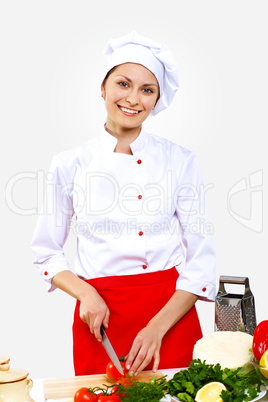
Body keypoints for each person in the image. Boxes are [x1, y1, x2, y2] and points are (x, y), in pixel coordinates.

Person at [31, 31, 216, 376]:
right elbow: (46, 252)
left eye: (147, 90)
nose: (133, 98)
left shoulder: (181, 161)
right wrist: (85, 293)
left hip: (170, 315)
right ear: (103, 88)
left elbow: (201, 261)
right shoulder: (70, 163)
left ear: (157, 101)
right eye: (123, 84)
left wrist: (157, 328)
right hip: (99, 319)